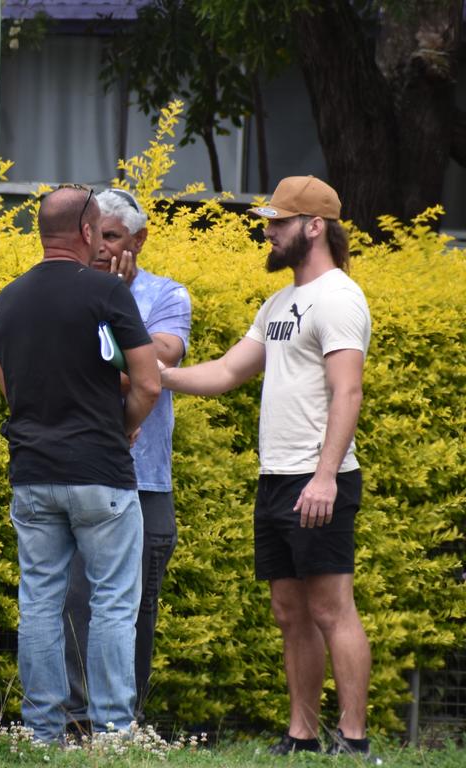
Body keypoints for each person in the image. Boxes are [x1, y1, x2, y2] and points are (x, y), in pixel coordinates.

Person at [159, 176, 373, 757]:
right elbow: (228, 373)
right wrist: (156, 377)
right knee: (289, 610)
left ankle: (352, 740)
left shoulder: (338, 297)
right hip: (276, 478)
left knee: (331, 608)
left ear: (313, 227)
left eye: (278, 222)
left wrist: (326, 475)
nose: (268, 231)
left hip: (318, 477)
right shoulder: (279, 304)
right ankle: (301, 735)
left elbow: (347, 391)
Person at [0, 185, 161, 743]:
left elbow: (6, 385)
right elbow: (148, 380)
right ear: (88, 232)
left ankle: (43, 733)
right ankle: (113, 733)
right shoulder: (107, 293)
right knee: (113, 603)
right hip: (101, 474)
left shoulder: (8, 299)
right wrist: (125, 423)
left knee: (40, 601)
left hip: (33, 475)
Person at [62, 188, 191, 729]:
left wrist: (112, 307)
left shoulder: (167, 294)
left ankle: (123, 723)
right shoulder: (64, 288)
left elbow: (160, 359)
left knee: (136, 610)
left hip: (147, 479)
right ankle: (72, 722)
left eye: (112, 236)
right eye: (93, 234)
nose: (99, 246)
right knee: (73, 606)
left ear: (139, 240)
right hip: (79, 474)